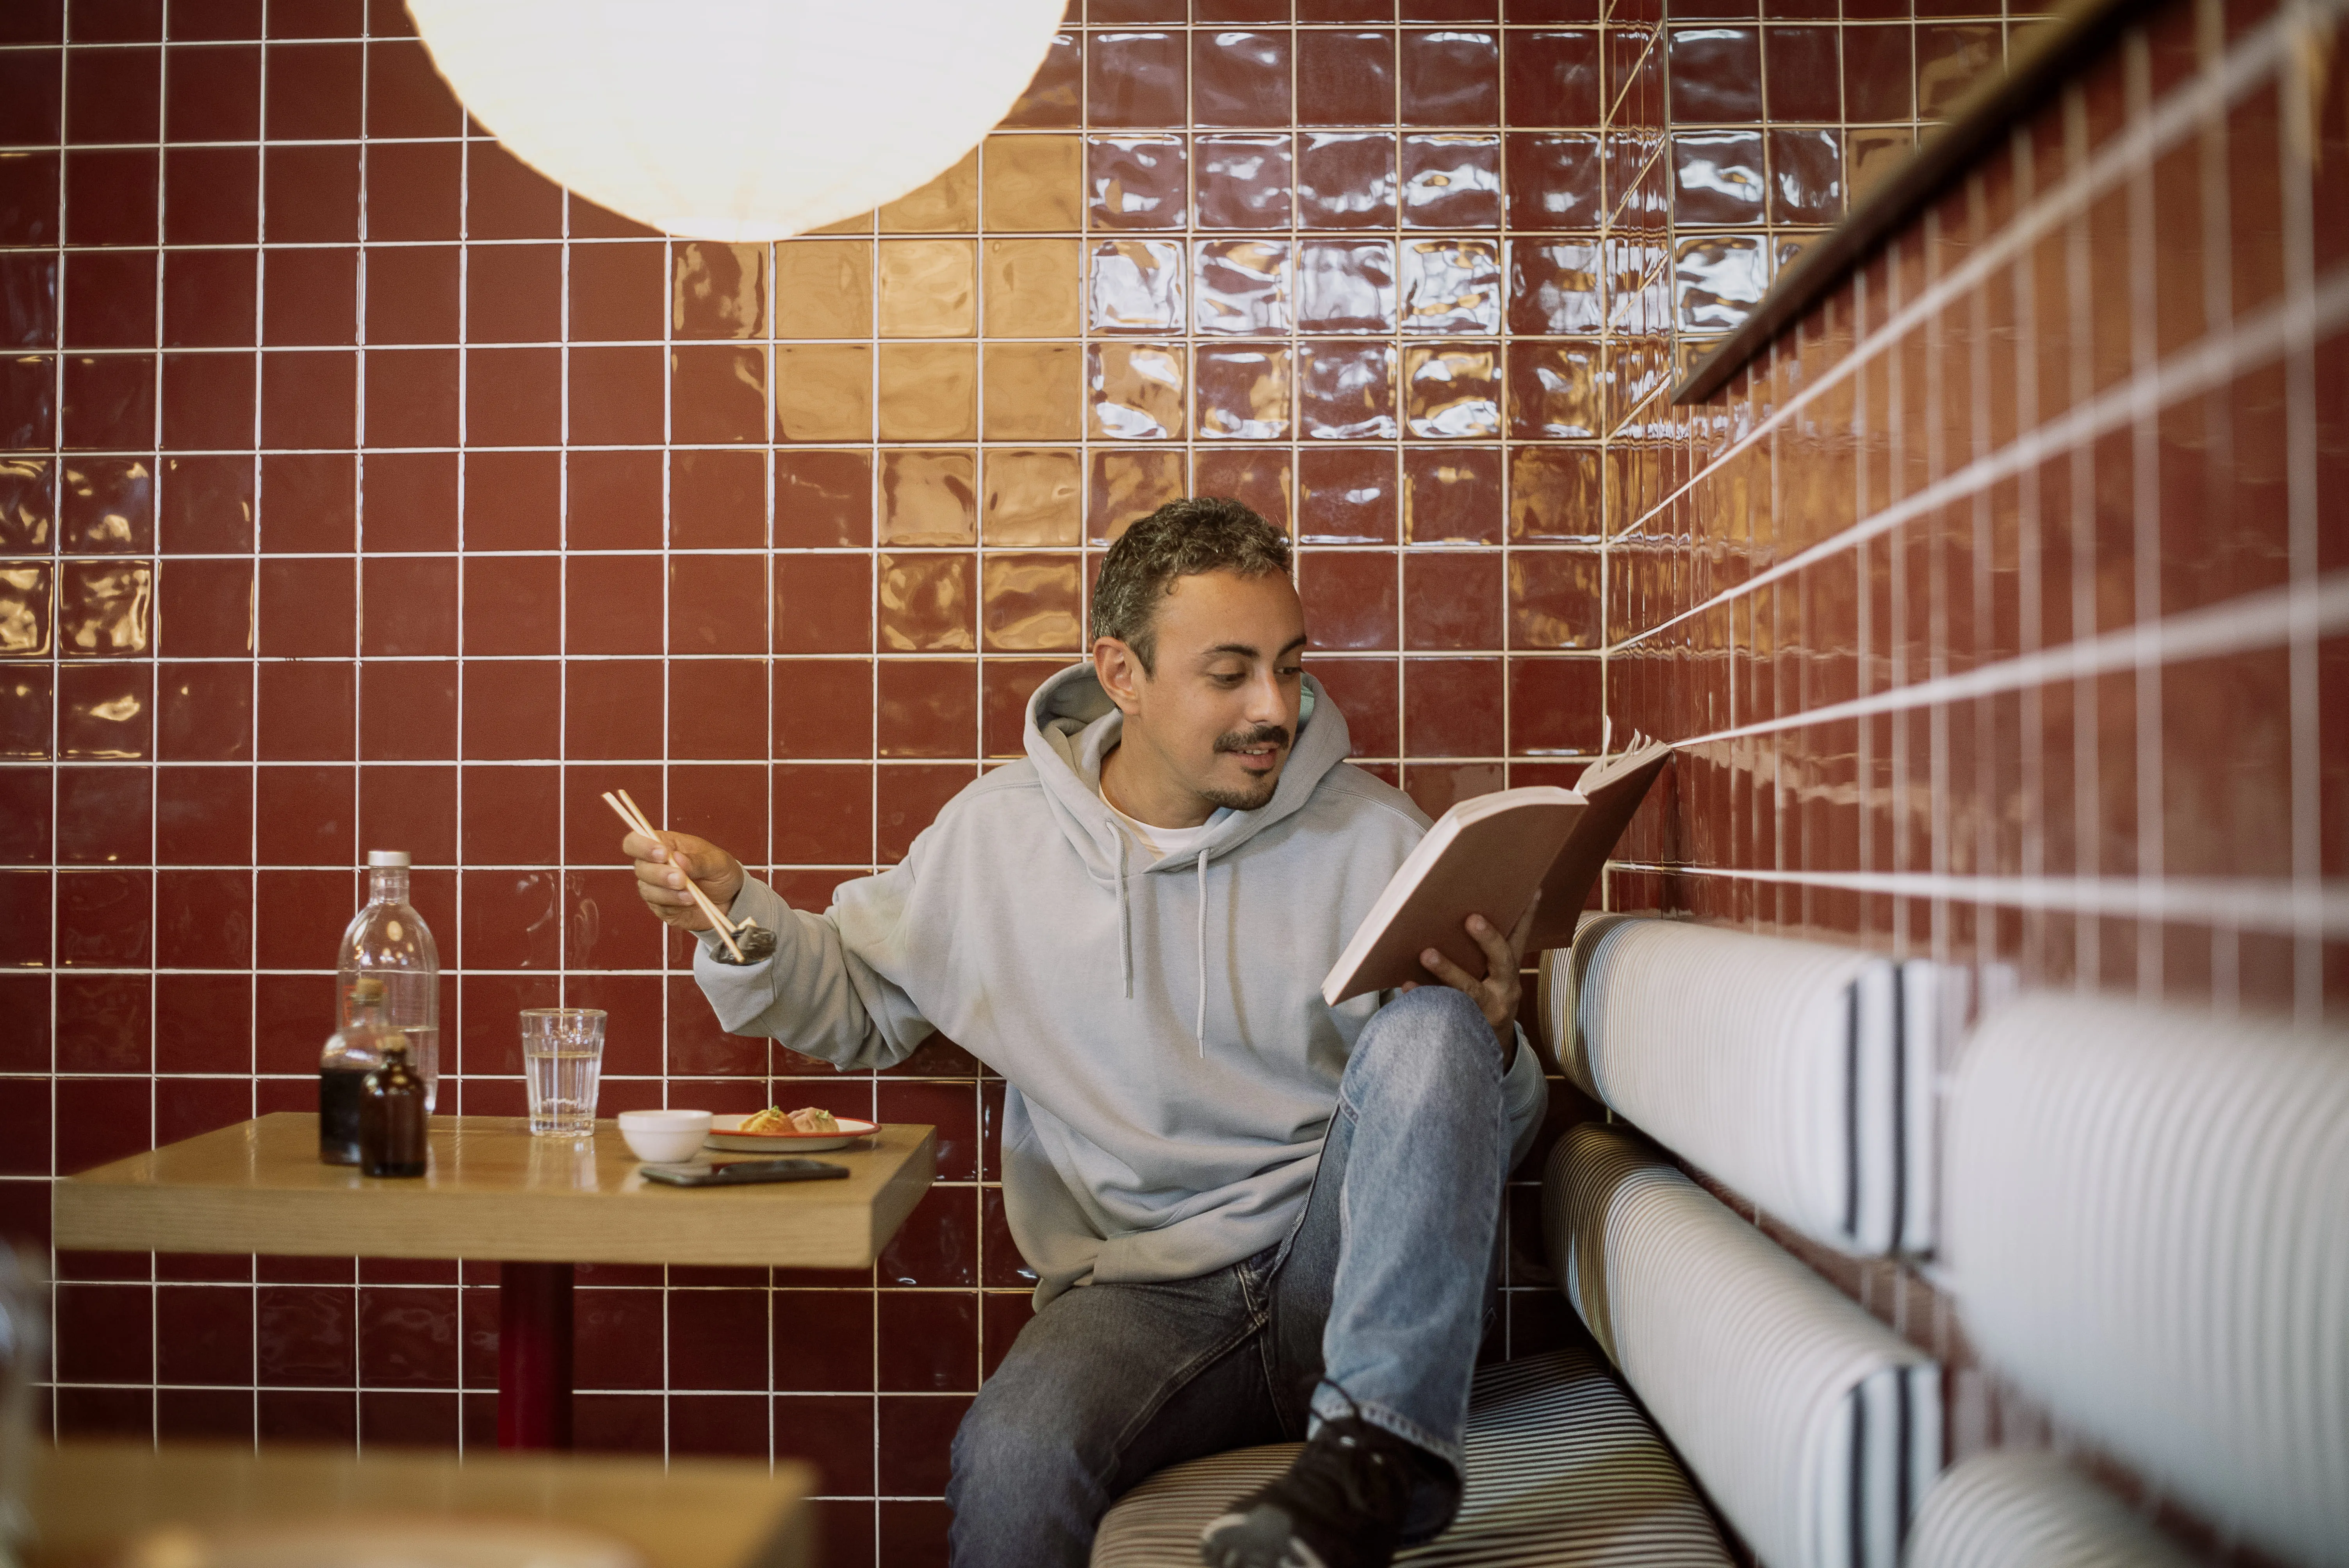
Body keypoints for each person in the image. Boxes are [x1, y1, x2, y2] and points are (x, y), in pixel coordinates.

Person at [624, 498, 1548, 1568]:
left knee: (1437, 1024)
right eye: (1231, 671)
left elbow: (1476, 1137)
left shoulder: (1380, 838)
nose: (1276, 708)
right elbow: (855, 1005)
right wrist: (737, 913)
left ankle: (1378, 1464)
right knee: (1012, 1458)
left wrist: (1494, 1044)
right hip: (1142, 1296)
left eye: (1291, 667)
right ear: (1121, 674)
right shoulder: (998, 839)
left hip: (1342, 1268)